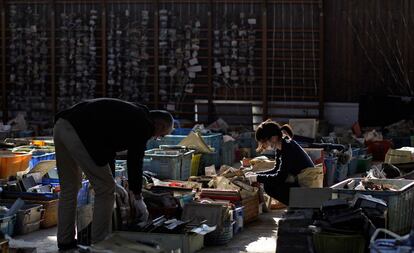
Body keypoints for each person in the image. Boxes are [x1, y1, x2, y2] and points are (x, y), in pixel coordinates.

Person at [53, 98, 174, 250]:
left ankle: (65, 242)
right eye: (162, 135)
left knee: (69, 188)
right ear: (159, 125)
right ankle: (99, 244)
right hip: (81, 132)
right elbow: (135, 160)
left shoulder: (134, 114)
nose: (157, 138)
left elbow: (107, 147)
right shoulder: (145, 125)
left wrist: (113, 180)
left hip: (62, 124)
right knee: (105, 190)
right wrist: (137, 196)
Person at [245, 119, 314, 205]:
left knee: (270, 186)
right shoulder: (281, 146)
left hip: (307, 186)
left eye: (264, 142)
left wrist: (257, 178)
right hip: (298, 182)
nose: (263, 145)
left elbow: (280, 177)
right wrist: (255, 174)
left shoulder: (288, 148)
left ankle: (299, 205)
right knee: (269, 183)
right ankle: (295, 205)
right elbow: (276, 170)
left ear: (273, 137)